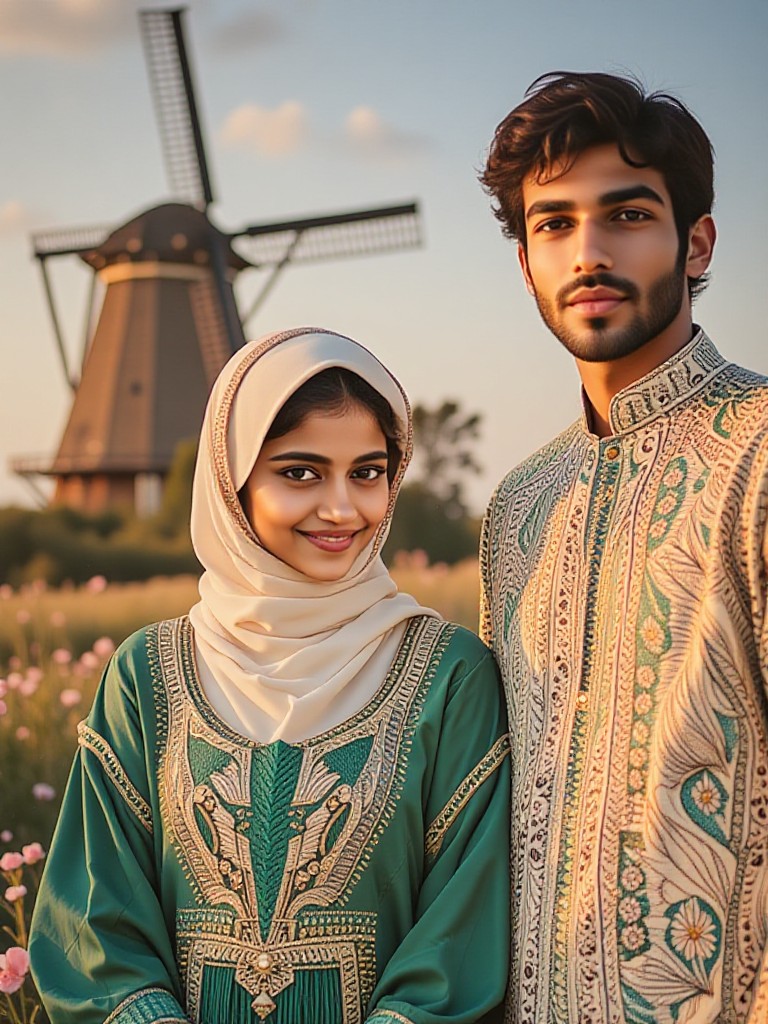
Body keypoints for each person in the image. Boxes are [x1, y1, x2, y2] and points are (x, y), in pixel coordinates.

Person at [29, 327, 510, 1023]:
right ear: (232, 479)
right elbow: (94, 923)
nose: (344, 509)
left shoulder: (448, 675)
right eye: (300, 472)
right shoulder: (146, 677)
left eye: (368, 472)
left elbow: (460, 938)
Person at [479, 72, 768, 1022]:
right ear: (525, 263)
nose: (588, 251)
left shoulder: (760, 450)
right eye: (552, 224)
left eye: (628, 213)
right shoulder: (519, 507)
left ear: (696, 242)